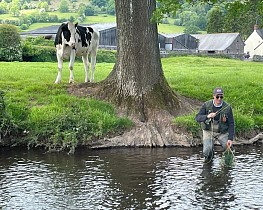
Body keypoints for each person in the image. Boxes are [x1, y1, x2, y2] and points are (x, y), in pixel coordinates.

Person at [195, 87, 235, 163]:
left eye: (221, 97)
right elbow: (197, 118)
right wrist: (207, 116)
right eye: (217, 96)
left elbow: (231, 123)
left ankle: (227, 163)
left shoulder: (227, 107)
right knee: (207, 150)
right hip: (208, 131)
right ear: (213, 96)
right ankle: (210, 158)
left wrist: (230, 138)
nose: (219, 99)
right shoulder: (206, 105)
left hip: (222, 132)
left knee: (229, 148)